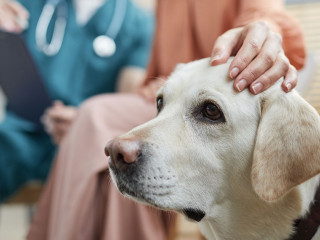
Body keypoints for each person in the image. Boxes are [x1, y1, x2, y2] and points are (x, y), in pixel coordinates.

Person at [27, 0, 306, 239]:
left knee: (96, 117)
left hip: (226, 107)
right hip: (165, 106)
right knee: (100, 129)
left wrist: (264, 32)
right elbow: (155, 82)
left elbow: (263, 15)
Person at [0, 0, 154, 202]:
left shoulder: (139, 23)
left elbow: (127, 98)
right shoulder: (31, 4)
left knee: (98, 191)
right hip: (21, 133)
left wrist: (86, 122)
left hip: (86, 143)